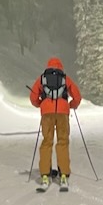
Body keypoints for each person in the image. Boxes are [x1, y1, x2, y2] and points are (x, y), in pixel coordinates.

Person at [29, 58, 82, 189]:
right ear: (60, 67)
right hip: (63, 112)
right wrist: (70, 105)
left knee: (47, 141)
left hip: (46, 113)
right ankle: (63, 173)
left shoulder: (42, 78)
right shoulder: (65, 78)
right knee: (63, 141)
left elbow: (33, 97)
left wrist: (41, 104)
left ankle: (45, 174)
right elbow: (77, 96)